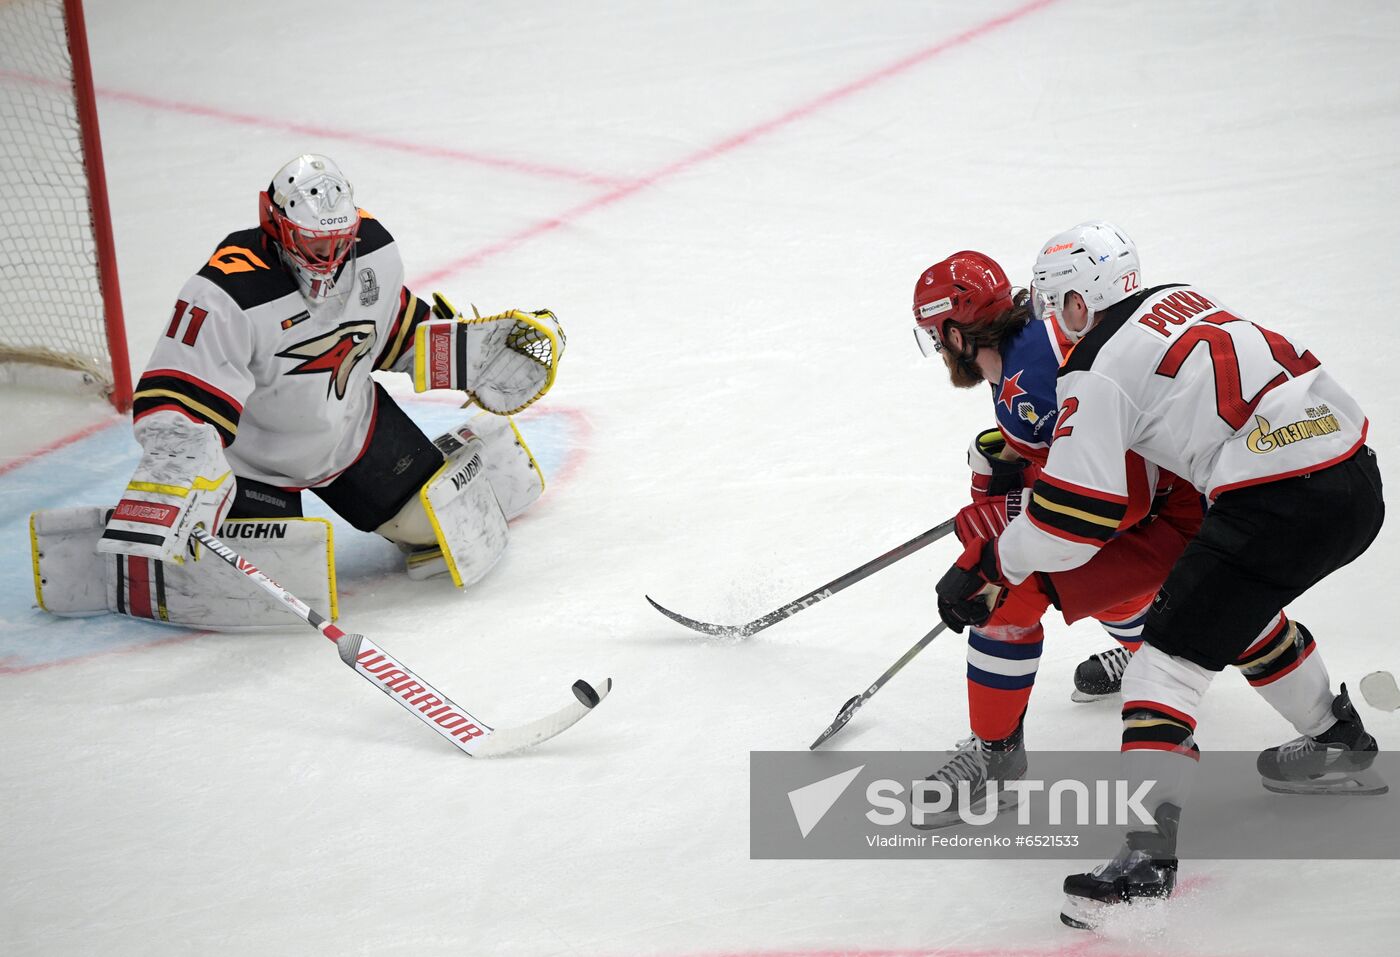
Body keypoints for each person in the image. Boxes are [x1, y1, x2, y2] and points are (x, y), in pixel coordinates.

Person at [933, 222, 1384, 927]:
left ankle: (1147, 863)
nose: (1053, 327)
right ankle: (1337, 738)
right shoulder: (1180, 299)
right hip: (1354, 473)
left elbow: (1086, 514)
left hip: (1267, 498)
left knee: (1163, 669)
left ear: (1080, 301)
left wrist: (996, 555)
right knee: (1222, 609)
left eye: (1058, 310)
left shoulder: (1091, 364)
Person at [93, 153, 565, 623]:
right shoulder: (226, 291)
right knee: (271, 588)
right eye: (314, 242)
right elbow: (177, 389)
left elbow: (390, 329)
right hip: (256, 466)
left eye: (340, 240)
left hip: (352, 434)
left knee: (441, 526)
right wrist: (180, 465)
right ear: (275, 224)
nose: (330, 257)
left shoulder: (374, 249)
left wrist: (464, 353)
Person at [910, 246, 1203, 823]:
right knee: (1070, 568)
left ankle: (996, 757)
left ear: (955, 330)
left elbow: (1110, 495)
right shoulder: (1031, 348)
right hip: (1167, 500)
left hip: (1164, 512)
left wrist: (1013, 518)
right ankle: (1151, 655)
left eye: (936, 337)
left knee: (1005, 592)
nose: (940, 352)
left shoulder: (1031, 379)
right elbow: (1082, 453)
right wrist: (1021, 470)